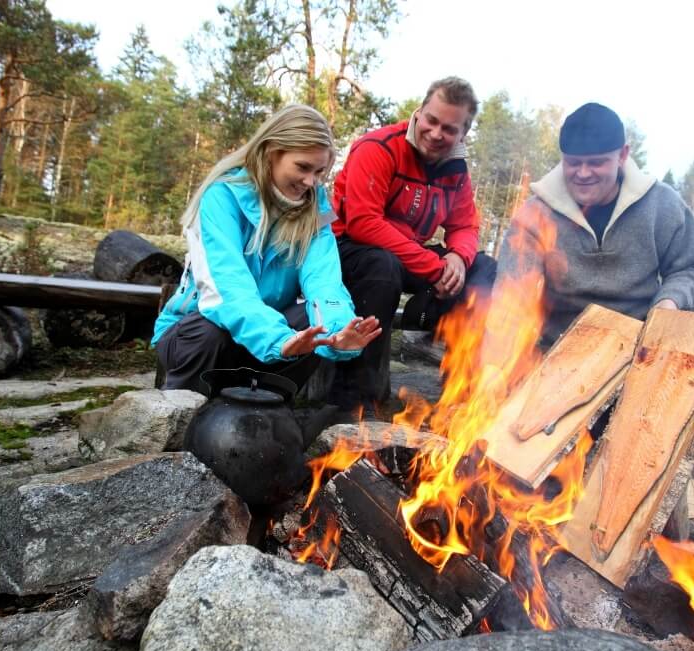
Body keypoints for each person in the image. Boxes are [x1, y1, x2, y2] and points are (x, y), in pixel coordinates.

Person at [152, 104, 381, 397]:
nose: (311, 181)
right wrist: (279, 339)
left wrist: (336, 333)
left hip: (266, 337)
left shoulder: (315, 207)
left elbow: (324, 281)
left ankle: (267, 415)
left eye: (320, 171)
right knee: (212, 330)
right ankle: (180, 414)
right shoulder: (221, 197)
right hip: (196, 334)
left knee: (314, 329)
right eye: (302, 167)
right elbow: (227, 290)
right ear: (272, 152)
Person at [329, 76, 497, 414]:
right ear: (419, 113)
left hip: (407, 255)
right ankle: (356, 403)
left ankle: (458, 397)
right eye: (431, 121)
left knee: (483, 268)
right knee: (382, 265)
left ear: (462, 134)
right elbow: (363, 223)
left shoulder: (455, 170)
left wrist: (458, 260)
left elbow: (465, 225)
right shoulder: (377, 147)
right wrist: (435, 267)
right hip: (348, 250)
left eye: (449, 129)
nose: (436, 134)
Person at [494, 102, 694, 348]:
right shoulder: (536, 214)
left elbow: (693, 267)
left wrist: (669, 302)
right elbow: (511, 296)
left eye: (596, 162)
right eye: (574, 163)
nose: (584, 173)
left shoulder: (661, 204)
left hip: (640, 344)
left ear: (622, 155)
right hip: (558, 346)